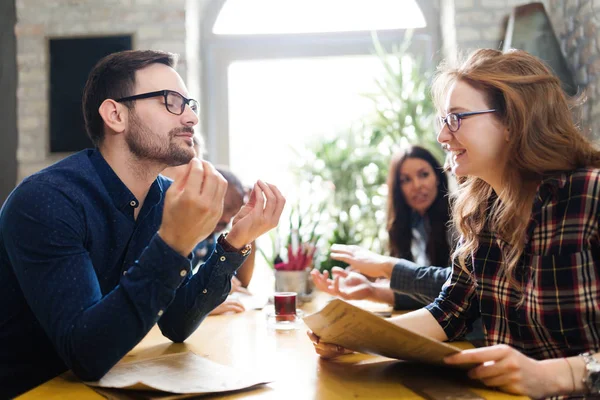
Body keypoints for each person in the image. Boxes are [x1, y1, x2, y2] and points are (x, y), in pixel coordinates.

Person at [310, 48, 600, 399]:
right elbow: (449, 311)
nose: (443, 137)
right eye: (443, 120)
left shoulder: (590, 195)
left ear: (512, 121)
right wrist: (354, 336)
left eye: (457, 118)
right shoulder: (480, 211)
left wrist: (556, 376)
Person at [0, 49, 285, 398]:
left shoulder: (164, 197)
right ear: (116, 115)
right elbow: (86, 355)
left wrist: (234, 241)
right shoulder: (46, 201)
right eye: (171, 101)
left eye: (190, 104)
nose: (192, 117)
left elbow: (177, 322)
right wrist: (172, 244)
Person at [312, 146, 453, 310]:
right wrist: (371, 291)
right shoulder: (410, 224)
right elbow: (430, 294)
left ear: (437, 177)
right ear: (398, 189)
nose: (417, 185)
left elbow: (457, 288)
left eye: (423, 175)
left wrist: (384, 266)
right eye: (405, 180)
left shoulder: (460, 218)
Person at [163, 152, 257, 315]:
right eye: (225, 208)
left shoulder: (209, 238)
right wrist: (202, 304)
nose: (227, 219)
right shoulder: (178, 230)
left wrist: (248, 230)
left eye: (233, 212)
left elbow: (241, 281)